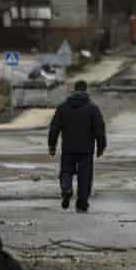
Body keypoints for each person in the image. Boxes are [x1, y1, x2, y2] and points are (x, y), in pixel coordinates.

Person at [48, 80, 107, 213]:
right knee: (85, 176)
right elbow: (99, 129)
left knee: (66, 172)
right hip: (86, 150)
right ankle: (82, 203)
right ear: (86, 90)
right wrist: (101, 146)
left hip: (68, 148)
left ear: (74, 90)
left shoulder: (63, 107)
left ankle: (66, 188)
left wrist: (52, 145)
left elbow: (54, 128)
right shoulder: (93, 108)